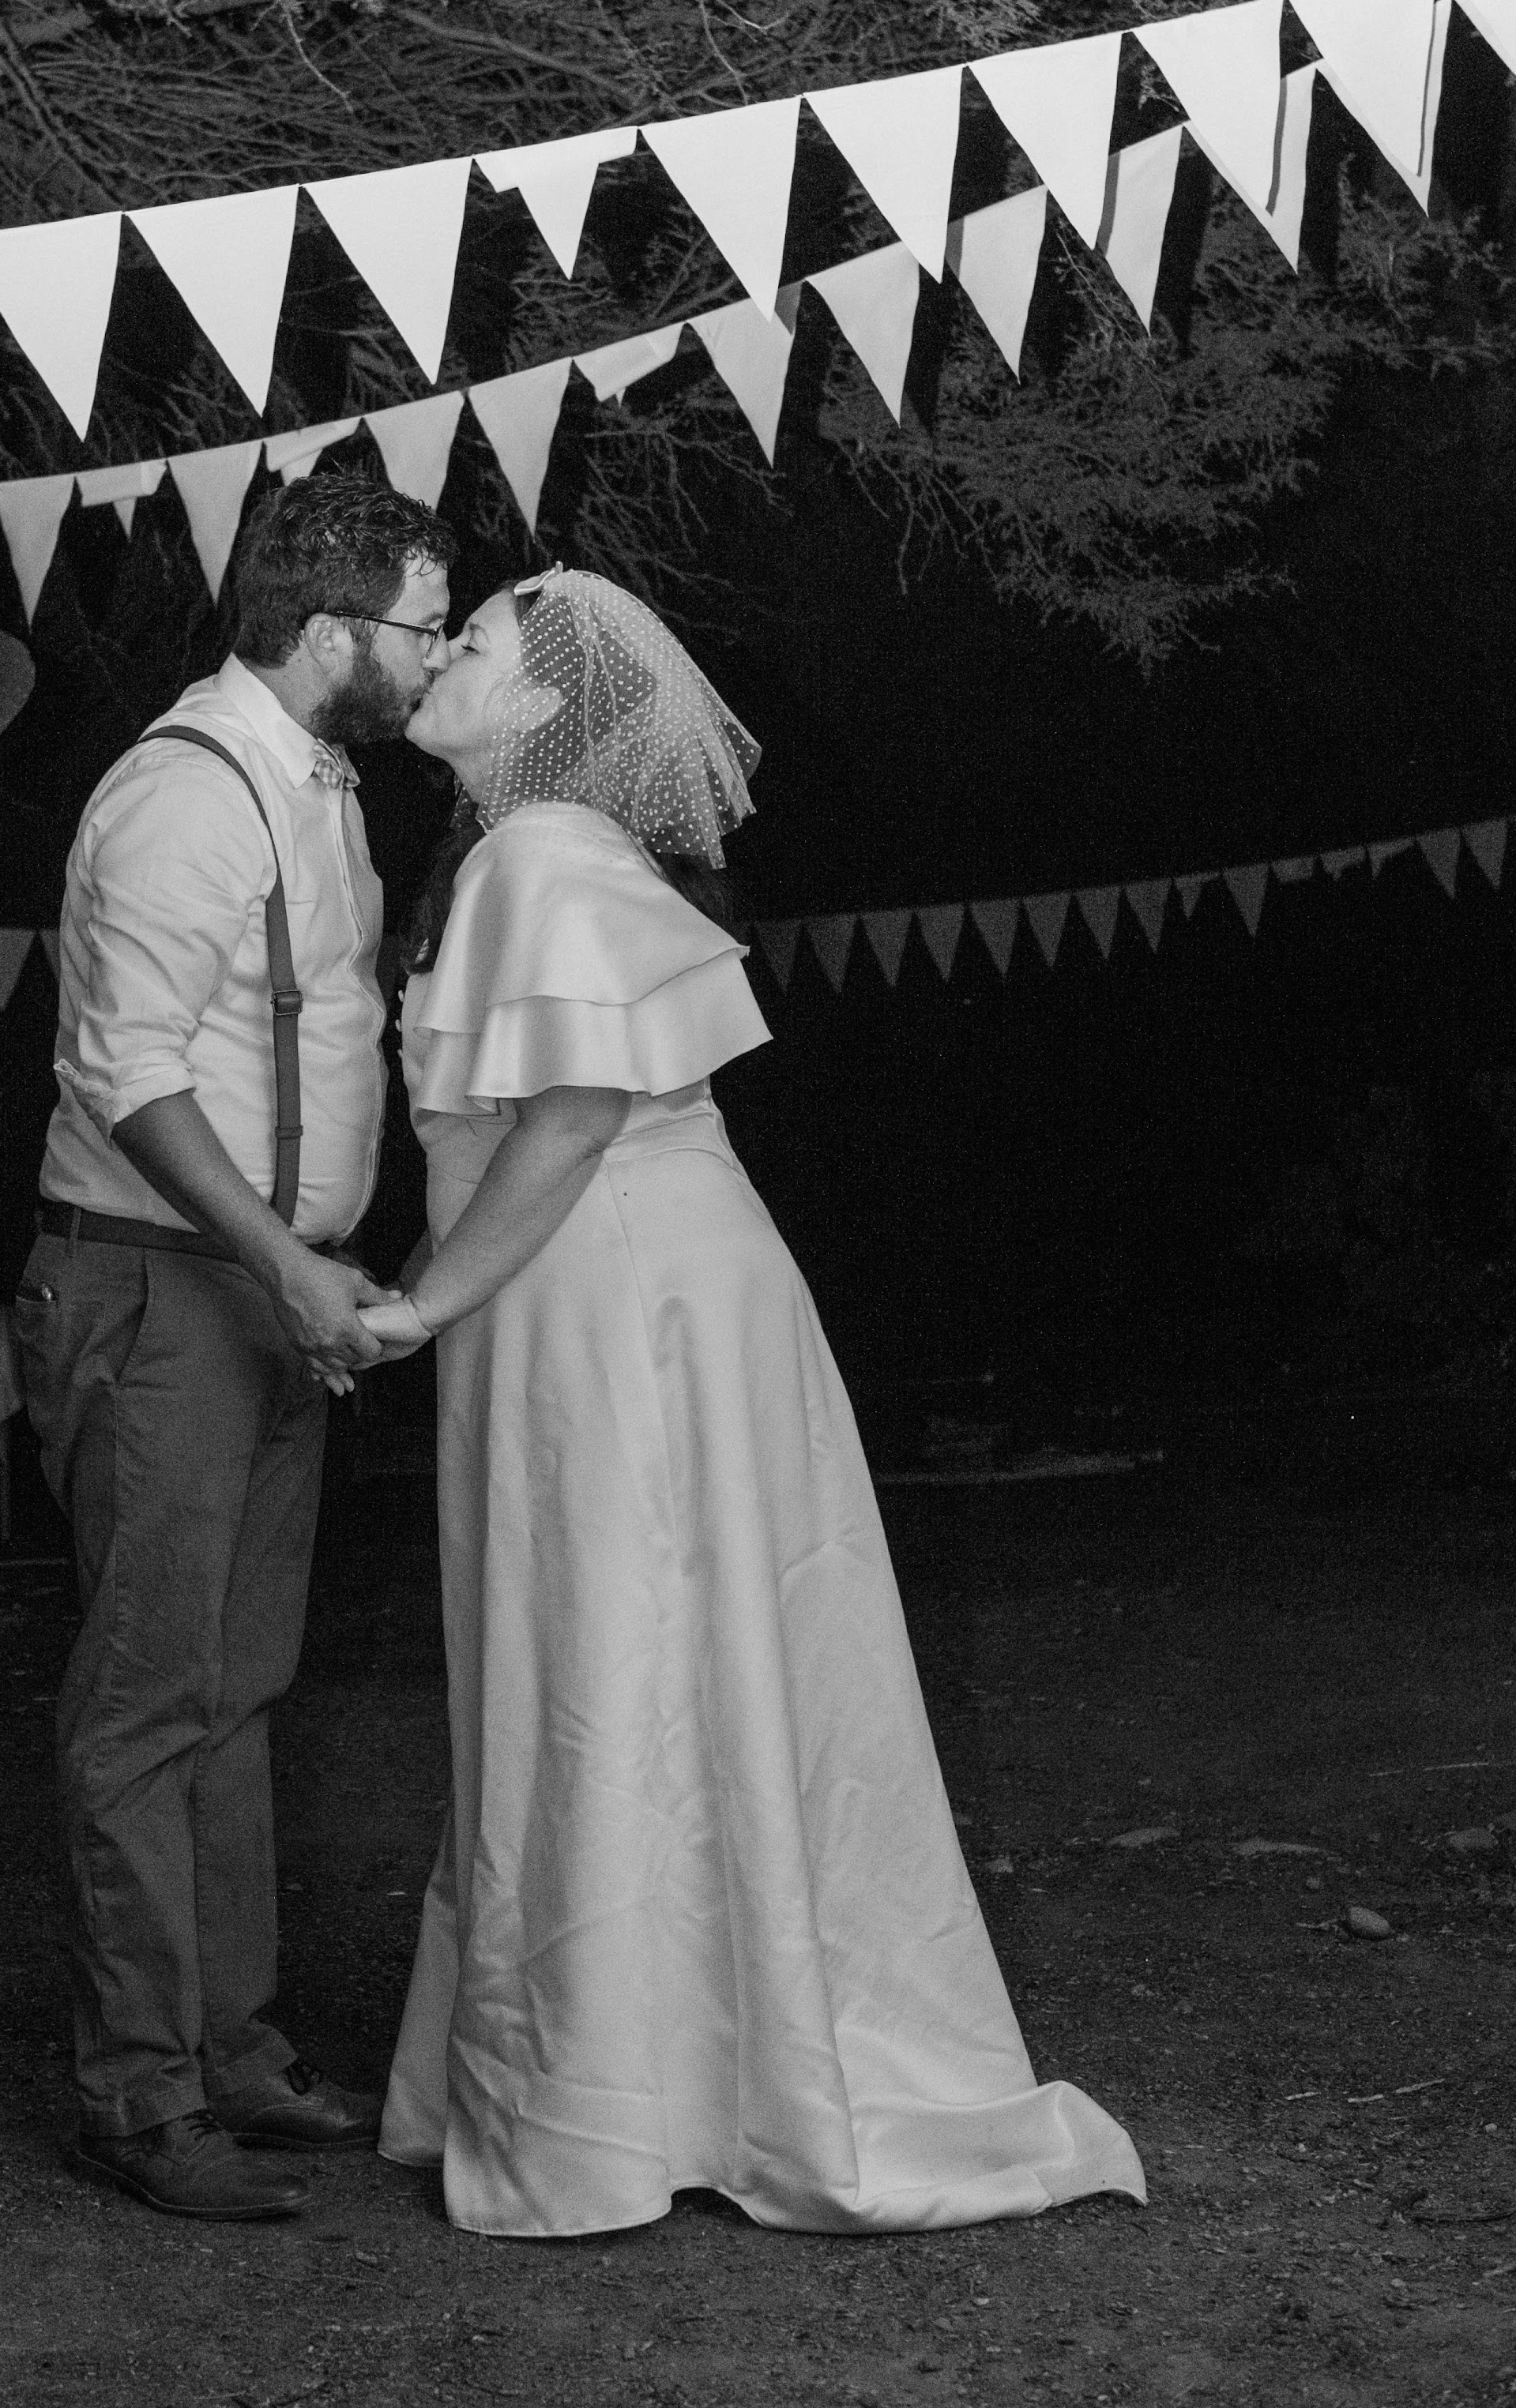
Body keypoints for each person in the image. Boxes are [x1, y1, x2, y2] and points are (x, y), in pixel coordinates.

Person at [356, 568, 1146, 2241]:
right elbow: (510, 1132)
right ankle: (671, 2062)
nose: (440, 656)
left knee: (612, 1648)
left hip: (617, 1289)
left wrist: (421, 1302)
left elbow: (575, 1112)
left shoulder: (540, 854)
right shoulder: (530, 854)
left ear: (545, 709)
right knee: (641, 1653)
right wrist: (430, 1292)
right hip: (599, 1281)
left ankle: (618, 2097)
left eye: (472, 642)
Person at [16, 472, 456, 2222]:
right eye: (423, 627)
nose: (435, 658)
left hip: (267, 1288)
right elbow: (124, 1076)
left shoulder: (321, 785)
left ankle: (232, 2048)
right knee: (145, 1700)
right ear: (333, 631)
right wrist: (283, 1263)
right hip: (162, 1291)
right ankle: (136, 2097)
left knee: (240, 1682)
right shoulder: (182, 795)